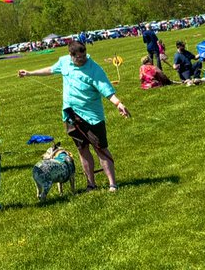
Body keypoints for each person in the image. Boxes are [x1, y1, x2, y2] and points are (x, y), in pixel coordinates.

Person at [19, 41, 130, 193]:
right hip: (71, 115)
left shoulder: (94, 69)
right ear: (71, 56)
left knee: (101, 150)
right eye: (78, 57)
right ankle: (91, 184)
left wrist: (118, 104)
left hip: (92, 117)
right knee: (82, 149)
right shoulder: (64, 62)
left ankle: (112, 184)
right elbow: (51, 70)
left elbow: (106, 89)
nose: (82, 59)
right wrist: (30, 73)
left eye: (84, 56)